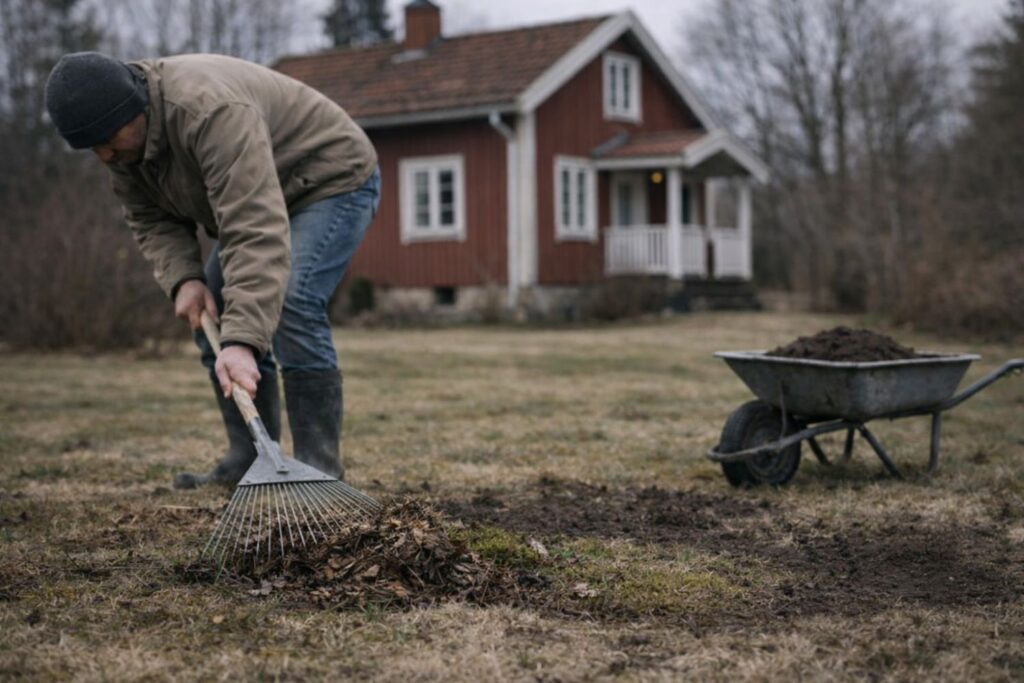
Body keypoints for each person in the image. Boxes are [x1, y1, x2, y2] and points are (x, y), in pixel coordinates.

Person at [44, 52, 380, 488]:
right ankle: (252, 458)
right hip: (262, 196)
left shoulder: (209, 112)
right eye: (92, 147)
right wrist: (184, 278)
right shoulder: (123, 151)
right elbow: (149, 218)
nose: (105, 154)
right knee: (214, 312)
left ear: (134, 108)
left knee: (292, 300)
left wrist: (242, 342)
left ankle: (318, 470)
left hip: (328, 181)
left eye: (108, 138)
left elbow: (252, 226)